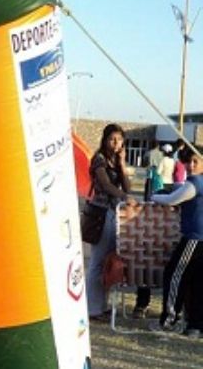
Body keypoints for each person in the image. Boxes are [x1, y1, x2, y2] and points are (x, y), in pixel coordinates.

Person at [85, 123, 137, 321]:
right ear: (105, 140)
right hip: (102, 213)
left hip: (115, 213)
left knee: (109, 262)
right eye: (112, 139)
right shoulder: (99, 160)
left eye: (119, 140)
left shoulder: (116, 160)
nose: (116, 144)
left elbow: (127, 185)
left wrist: (123, 163)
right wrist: (124, 197)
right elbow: (106, 185)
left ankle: (101, 304)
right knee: (97, 261)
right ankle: (92, 308)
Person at [150, 145, 203, 337]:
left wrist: (154, 196)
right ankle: (195, 326)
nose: (190, 165)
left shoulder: (195, 182)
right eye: (188, 161)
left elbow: (173, 199)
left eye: (196, 161)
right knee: (198, 283)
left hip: (194, 239)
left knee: (174, 276)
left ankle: (168, 320)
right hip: (199, 239)